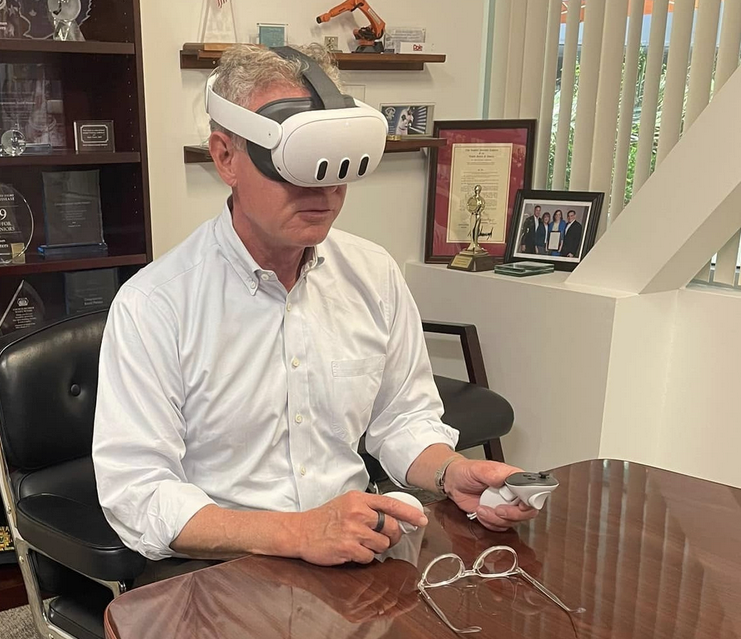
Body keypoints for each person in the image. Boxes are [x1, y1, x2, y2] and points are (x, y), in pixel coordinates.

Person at [93, 44, 539, 580]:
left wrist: (452, 471)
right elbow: (137, 492)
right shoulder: (155, 306)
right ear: (226, 157)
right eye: (295, 167)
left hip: (355, 550)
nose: (324, 193)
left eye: (336, 170)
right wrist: (295, 532)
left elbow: (401, 418)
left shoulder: (372, 276)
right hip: (223, 568)